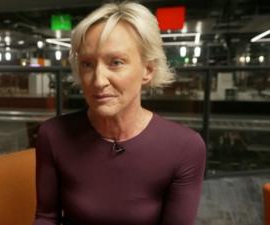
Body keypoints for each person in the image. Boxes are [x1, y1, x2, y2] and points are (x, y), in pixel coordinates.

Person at [32, 2, 206, 225]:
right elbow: (46, 217)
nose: (98, 80)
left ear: (147, 70)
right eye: (87, 64)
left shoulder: (185, 147)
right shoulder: (53, 135)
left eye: (116, 62)